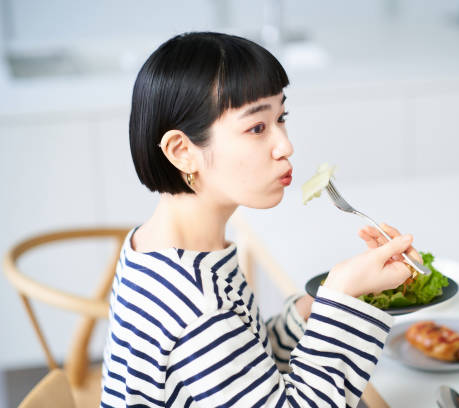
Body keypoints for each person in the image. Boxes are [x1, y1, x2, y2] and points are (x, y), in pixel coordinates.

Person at [100, 31, 418, 408]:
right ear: (182, 151)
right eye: (256, 128)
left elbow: (244, 367)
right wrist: (343, 298)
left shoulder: (159, 247)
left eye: (281, 117)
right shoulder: (197, 304)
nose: (285, 145)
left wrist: (315, 308)